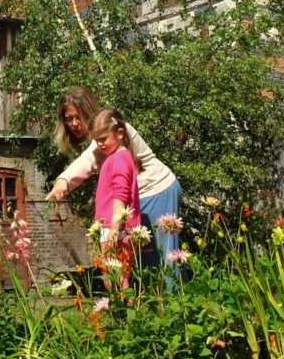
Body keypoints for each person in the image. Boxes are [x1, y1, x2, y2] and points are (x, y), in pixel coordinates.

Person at [45, 86, 182, 267]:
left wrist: (63, 181)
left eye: (79, 116)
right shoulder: (102, 138)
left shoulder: (114, 130)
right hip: (138, 199)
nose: (74, 124)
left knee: (163, 265)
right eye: (69, 119)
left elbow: (88, 160)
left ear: (89, 111)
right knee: (149, 267)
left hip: (157, 191)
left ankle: (174, 296)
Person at [89, 107, 140, 289]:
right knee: (114, 277)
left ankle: (123, 315)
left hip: (117, 230)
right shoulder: (118, 157)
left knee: (117, 279)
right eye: (97, 141)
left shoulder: (118, 159)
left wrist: (114, 229)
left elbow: (121, 195)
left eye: (103, 139)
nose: (100, 144)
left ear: (119, 133)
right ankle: (120, 314)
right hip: (113, 229)